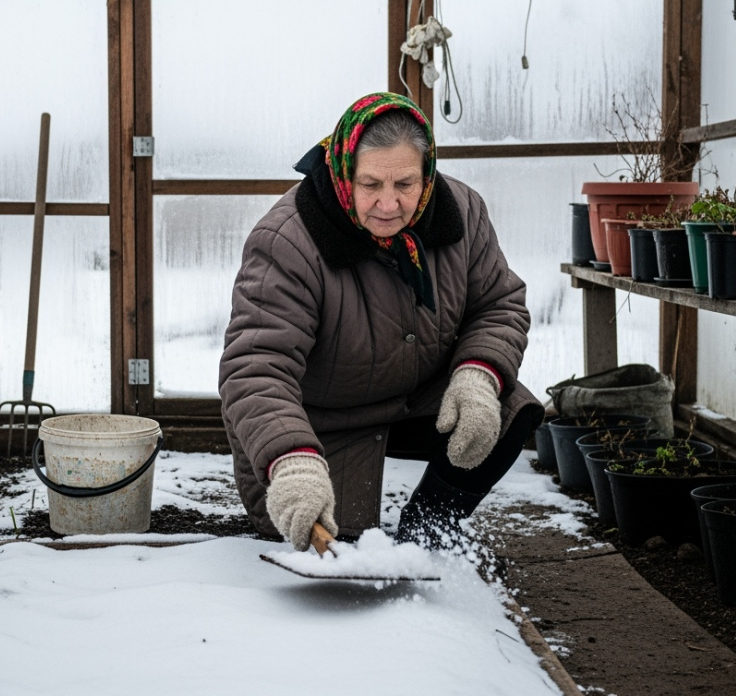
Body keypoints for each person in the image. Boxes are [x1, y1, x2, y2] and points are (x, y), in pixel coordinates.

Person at [219, 92, 543, 551]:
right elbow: (255, 367)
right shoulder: (289, 241)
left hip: (415, 397)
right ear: (343, 171)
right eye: (370, 184)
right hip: (322, 424)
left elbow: (498, 303)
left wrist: (476, 376)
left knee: (506, 409)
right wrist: (290, 459)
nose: (388, 205)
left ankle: (427, 534)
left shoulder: (461, 212)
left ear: (427, 175)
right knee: (333, 551)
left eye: (405, 184)